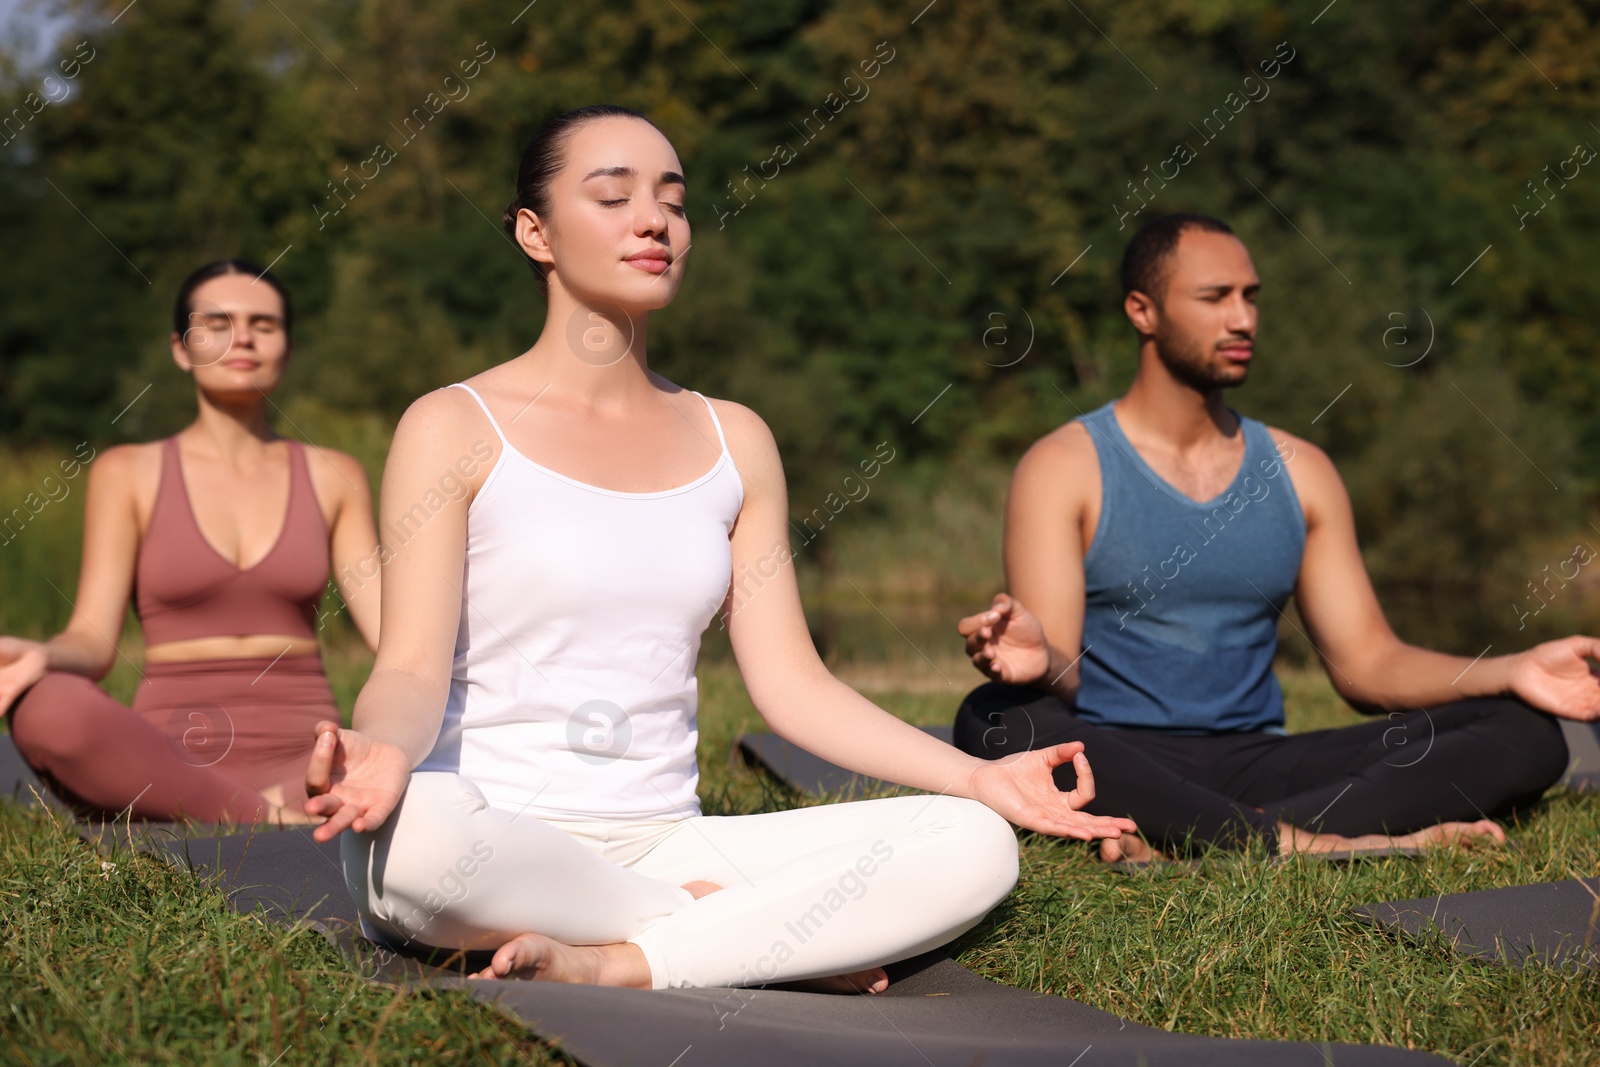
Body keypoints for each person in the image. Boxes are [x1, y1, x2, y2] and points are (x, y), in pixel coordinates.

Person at [302, 105, 1137, 993]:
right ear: (534, 233)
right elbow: (411, 668)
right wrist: (385, 748)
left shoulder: (734, 439)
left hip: (666, 834)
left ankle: (630, 959)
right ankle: (742, 931)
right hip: (489, 828)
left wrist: (981, 778)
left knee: (974, 846)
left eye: (673, 198)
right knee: (417, 846)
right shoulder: (452, 425)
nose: (654, 220)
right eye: (613, 196)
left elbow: (794, 686)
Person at [954, 213, 1595, 861]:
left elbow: (1369, 663)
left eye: (1251, 297)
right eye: (1215, 297)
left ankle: (1201, 833)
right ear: (1142, 311)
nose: (1243, 319)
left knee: (1526, 731)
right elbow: (1058, 681)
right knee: (996, 715)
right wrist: (1039, 661)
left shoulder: (1302, 471)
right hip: (1119, 752)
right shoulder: (1064, 466)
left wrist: (1514, 669)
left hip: (1259, 761)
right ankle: (1295, 836)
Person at [1, 260, 380, 823]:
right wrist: (46, 655)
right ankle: (259, 817)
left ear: (288, 348)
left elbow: (396, 644)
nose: (244, 337)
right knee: (48, 708)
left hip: (308, 761)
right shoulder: (127, 472)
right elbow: (93, 641)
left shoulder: (332, 475)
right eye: (218, 323)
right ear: (181, 348)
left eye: (264, 324)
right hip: (166, 763)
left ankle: (254, 811)